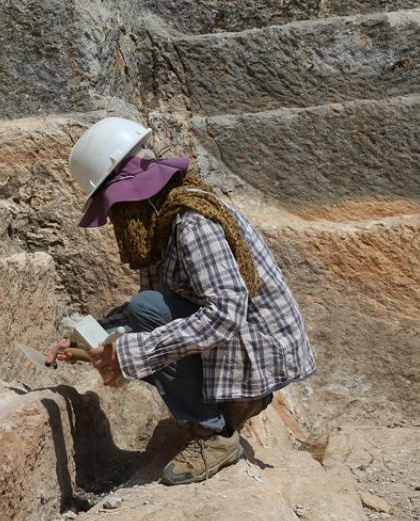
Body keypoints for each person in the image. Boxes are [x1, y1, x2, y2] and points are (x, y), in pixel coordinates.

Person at [48, 117, 316, 485]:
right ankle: (228, 406)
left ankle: (216, 435)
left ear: (133, 198)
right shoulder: (164, 222)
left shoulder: (191, 223)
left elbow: (224, 315)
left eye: (114, 209)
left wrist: (128, 353)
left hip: (257, 350)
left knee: (144, 327)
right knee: (144, 314)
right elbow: (158, 306)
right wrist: (88, 337)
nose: (114, 220)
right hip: (240, 344)